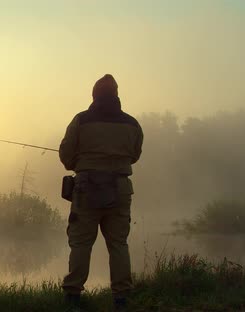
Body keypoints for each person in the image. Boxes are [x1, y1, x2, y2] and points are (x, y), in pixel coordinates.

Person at [59, 74, 143, 311]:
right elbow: (135, 155)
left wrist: (81, 162)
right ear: (116, 95)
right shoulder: (132, 124)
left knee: (81, 244)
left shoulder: (81, 120)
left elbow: (66, 154)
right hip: (120, 189)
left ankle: (73, 296)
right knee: (118, 243)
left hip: (86, 189)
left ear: (94, 95)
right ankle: (122, 298)